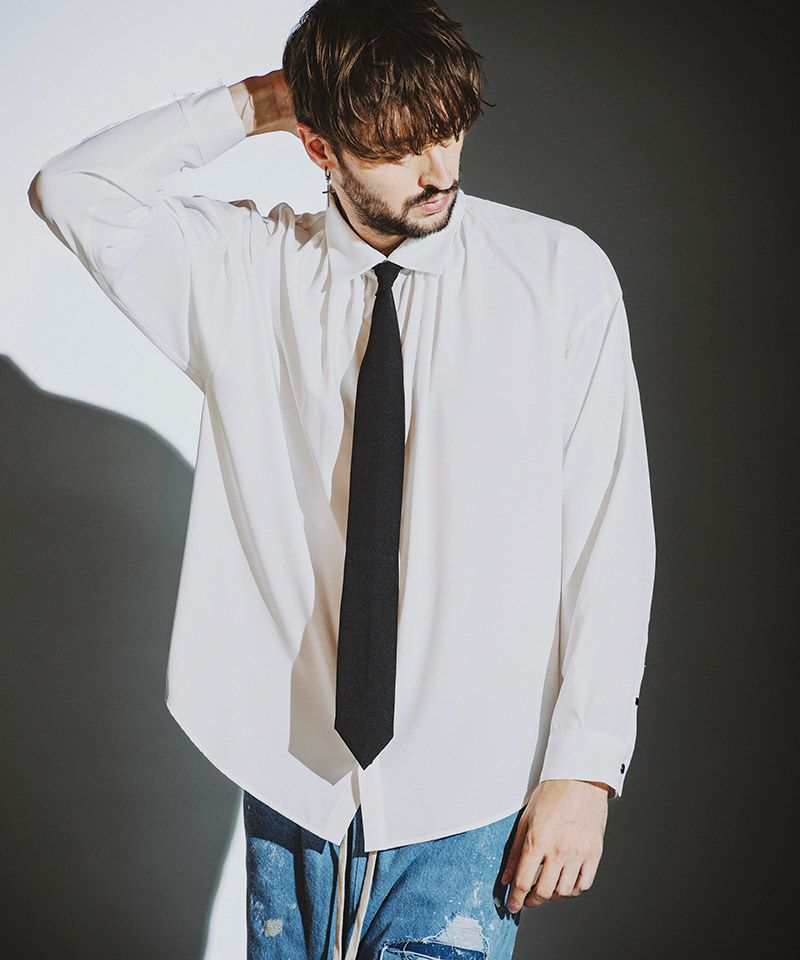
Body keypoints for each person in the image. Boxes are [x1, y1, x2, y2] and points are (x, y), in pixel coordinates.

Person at [28, 1, 656, 957]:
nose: (439, 170)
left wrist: (587, 767)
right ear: (318, 147)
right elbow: (73, 191)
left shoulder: (559, 277)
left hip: (474, 787)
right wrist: (258, 103)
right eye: (396, 148)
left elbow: (611, 534)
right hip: (294, 782)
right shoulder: (245, 272)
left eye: (449, 130)